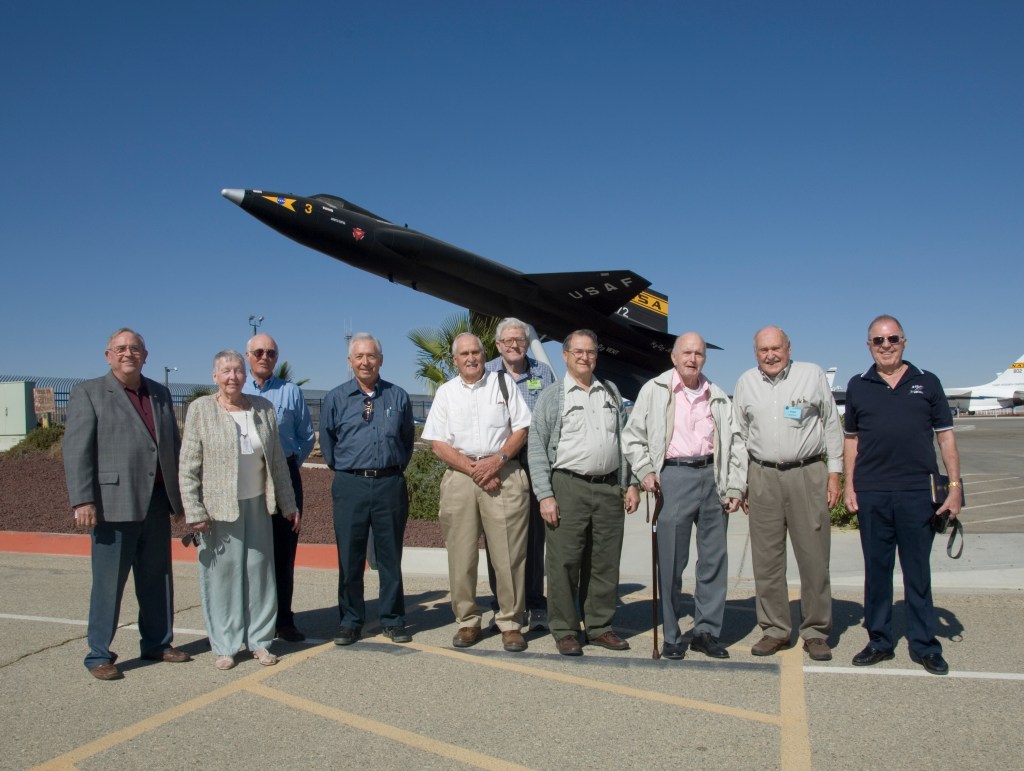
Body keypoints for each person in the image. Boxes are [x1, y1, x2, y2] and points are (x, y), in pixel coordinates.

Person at [63, 328, 192, 680]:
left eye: (134, 348)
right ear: (108, 355)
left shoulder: (161, 393)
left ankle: (157, 643)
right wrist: (84, 499)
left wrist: (180, 500)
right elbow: (76, 451)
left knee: (157, 578)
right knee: (108, 583)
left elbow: (172, 449)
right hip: (111, 505)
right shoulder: (88, 393)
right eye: (120, 348)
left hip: (156, 502)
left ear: (145, 355)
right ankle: (98, 654)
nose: (127, 354)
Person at [843, 315, 962, 675]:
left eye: (892, 338)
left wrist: (954, 488)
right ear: (869, 346)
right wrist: (849, 484)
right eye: (878, 341)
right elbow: (852, 440)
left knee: (917, 572)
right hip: (873, 493)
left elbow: (946, 437)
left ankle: (925, 644)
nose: (886, 345)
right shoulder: (858, 385)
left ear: (904, 341)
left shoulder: (926, 382)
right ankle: (879, 640)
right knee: (877, 571)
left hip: (916, 494)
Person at [622, 332, 746, 660]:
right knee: (673, 561)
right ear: (674, 358)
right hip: (672, 477)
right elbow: (632, 436)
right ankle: (672, 634)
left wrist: (734, 485)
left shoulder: (717, 395)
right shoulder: (654, 390)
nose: (693, 359)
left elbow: (735, 443)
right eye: (686, 353)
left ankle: (706, 632)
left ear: (705, 358)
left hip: (712, 478)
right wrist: (645, 470)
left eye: (699, 354)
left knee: (714, 560)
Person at [179, 350, 299, 670]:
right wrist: (194, 510)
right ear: (214, 376)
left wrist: (288, 504)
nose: (233, 376)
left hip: (258, 504)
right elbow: (188, 466)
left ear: (245, 376)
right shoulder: (201, 410)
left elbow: (276, 463)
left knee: (260, 574)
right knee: (223, 577)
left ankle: (260, 641)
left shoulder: (263, 409)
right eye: (226, 371)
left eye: (238, 371)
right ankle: (226, 644)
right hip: (218, 510)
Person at [732, 326, 843, 661]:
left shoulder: (811, 375)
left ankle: (816, 631)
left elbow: (831, 424)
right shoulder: (745, 383)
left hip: (807, 473)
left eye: (776, 348)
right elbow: (738, 436)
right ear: (755, 353)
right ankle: (775, 629)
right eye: (763, 350)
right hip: (762, 475)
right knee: (766, 560)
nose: (770, 355)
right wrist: (741, 482)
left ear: (788, 348)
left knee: (813, 557)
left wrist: (834, 474)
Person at [528, 330, 639, 656]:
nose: (584, 357)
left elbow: (624, 441)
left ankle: (600, 626)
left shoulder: (611, 393)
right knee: (564, 563)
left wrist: (630, 482)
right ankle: (564, 629)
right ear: (565, 355)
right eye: (578, 351)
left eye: (590, 351)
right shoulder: (553, 396)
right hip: (567, 486)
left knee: (604, 561)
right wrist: (545, 495)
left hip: (608, 488)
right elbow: (536, 446)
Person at [421, 332, 532, 652]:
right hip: (461, 476)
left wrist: (495, 462)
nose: (471, 358)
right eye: (464, 354)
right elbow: (438, 444)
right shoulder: (446, 393)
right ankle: (468, 620)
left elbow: (521, 428)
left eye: (476, 352)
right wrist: (475, 469)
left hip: (504, 472)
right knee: (461, 555)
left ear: (485, 355)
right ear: (454, 360)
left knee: (509, 555)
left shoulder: (503, 384)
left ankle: (511, 622)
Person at [320, 333, 415, 645]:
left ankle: (393, 619)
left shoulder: (398, 396)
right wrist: (351, 471)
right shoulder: (335, 399)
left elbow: (406, 441)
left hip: (389, 483)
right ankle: (350, 621)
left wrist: (390, 468)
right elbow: (329, 445)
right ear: (350, 362)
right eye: (359, 356)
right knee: (350, 556)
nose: (365, 362)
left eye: (371, 356)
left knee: (390, 557)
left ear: (381, 360)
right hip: (350, 484)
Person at [484, 317, 557, 631]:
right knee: (496, 535)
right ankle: (501, 602)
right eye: (508, 341)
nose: (514, 346)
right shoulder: (485, 373)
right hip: (498, 461)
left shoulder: (543, 373)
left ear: (527, 343)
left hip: (534, 459)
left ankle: (534, 601)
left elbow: (555, 417)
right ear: (498, 344)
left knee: (534, 536)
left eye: (520, 340)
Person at [242, 333, 315, 642]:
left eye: (271, 352)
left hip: (284, 476)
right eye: (258, 351)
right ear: (248, 356)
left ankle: (284, 620)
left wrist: (286, 470)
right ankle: (247, 621)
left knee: (284, 553)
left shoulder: (290, 393)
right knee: (248, 553)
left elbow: (306, 436)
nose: (264, 357)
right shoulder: (236, 390)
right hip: (244, 478)